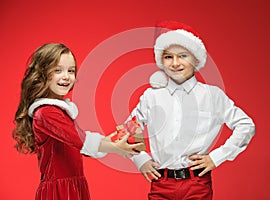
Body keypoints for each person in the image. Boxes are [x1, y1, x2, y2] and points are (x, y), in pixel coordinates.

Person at [127, 21, 256, 199]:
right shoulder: (151, 96)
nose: (175, 63)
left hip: (197, 183)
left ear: (196, 59)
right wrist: (140, 159)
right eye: (168, 57)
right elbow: (129, 129)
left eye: (183, 56)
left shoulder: (212, 95)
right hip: (161, 183)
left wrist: (216, 157)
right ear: (161, 61)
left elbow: (245, 125)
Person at [12, 43, 142, 200]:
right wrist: (115, 148)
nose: (66, 76)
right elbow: (79, 140)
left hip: (74, 185)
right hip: (59, 191)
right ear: (41, 75)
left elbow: (79, 141)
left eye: (71, 70)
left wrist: (113, 140)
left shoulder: (60, 110)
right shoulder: (46, 112)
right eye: (57, 70)